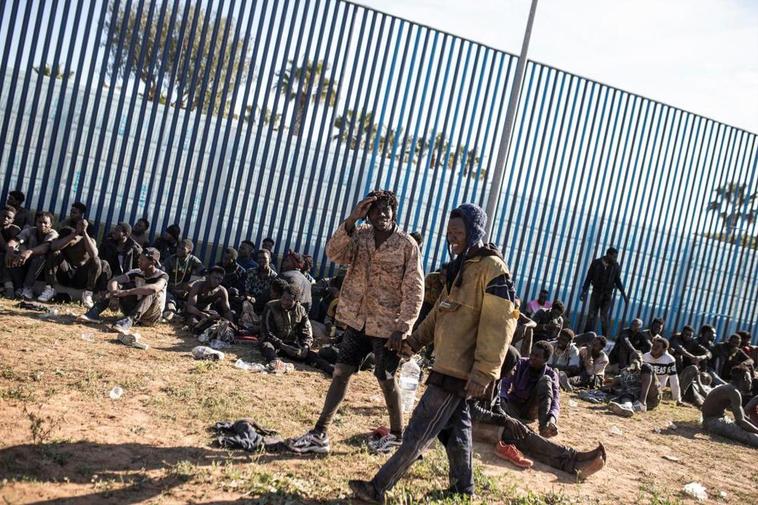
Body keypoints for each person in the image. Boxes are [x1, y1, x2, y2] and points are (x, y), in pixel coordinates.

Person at [347, 202, 517, 503]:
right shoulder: (461, 267)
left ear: (475, 231)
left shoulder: (492, 269)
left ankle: (378, 488)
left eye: (459, 232)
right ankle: (463, 489)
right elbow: (440, 313)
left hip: (460, 370)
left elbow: (499, 325)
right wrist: (413, 343)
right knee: (456, 430)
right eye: (449, 232)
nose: (452, 238)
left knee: (418, 431)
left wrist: (483, 372)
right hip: (447, 364)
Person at [289, 190, 424, 458]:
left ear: (394, 212)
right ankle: (320, 433)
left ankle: (397, 437)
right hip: (357, 321)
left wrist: (403, 327)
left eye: (387, 209)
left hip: (387, 327)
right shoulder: (360, 235)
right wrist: (352, 219)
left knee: (385, 378)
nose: (382, 214)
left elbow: (414, 289)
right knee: (340, 372)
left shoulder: (407, 244)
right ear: (368, 213)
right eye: (375, 210)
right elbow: (334, 253)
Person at [78, 248, 168, 335]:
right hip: (134, 309)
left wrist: (127, 292)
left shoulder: (162, 276)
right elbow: (114, 281)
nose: (139, 261)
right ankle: (93, 313)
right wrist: (114, 294)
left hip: (150, 316)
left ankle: (128, 321)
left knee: (151, 293)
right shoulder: (137, 272)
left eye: (142, 259)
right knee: (119, 287)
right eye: (139, 258)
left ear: (153, 262)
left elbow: (154, 288)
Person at [260, 282, 334, 374]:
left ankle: (331, 370)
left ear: (296, 301)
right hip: (274, 343)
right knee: (267, 347)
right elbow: (267, 332)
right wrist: (283, 345)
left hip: (291, 345)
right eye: (283, 298)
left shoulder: (301, 310)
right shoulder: (270, 306)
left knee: (311, 355)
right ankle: (276, 363)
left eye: (289, 300)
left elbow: (307, 332)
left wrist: (306, 346)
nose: (284, 302)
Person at [43, 217, 109, 307]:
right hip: (65, 274)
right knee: (54, 253)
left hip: (82, 278)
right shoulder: (68, 238)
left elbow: (94, 254)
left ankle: (88, 294)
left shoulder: (88, 240)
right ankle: (49, 289)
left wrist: (84, 232)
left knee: (98, 261)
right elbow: (54, 247)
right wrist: (74, 234)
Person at [500, 341, 561, 438]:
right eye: (532, 354)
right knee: (499, 403)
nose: (532, 357)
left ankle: (544, 427)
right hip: (514, 406)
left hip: (531, 410)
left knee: (546, 380)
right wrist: (502, 399)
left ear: (545, 359)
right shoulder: (521, 363)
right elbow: (504, 383)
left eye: (537, 356)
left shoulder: (551, 374)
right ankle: (514, 421)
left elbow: (555, 400)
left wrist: (552, 419)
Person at [701, 365, 758, 448]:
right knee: (750, 437)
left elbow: (742, 416)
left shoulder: (730, 389)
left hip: (713, 420)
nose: (751, 383)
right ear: (745, 378)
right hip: (712, 422)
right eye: (750, 380)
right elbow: (741, 421)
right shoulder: (733, 392)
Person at [5, 212, 58, 300]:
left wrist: (29, 251)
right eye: (39, 222)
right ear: (36, 223)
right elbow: (16, 240)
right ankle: (18, 287)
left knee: (39, 257)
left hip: (43, 269)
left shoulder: (53, 234)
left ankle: (27, 288)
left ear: (51, 225)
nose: (42, 225)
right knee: (11, 255)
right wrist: (10, 250)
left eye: (45, 223)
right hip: (28, 262)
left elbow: (45, 247)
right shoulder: (31, 230)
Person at [580, 247, 629, 337]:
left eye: (616, 257)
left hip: (607, 295)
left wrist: (624, 295)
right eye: (614, 256)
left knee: (604, 317)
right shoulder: (596, 263)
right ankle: (585, 336)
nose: (615, 259)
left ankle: (604, 337)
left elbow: (618, 281)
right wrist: (584, 291)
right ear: (608, 254)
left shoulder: (615, 266)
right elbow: (589, 277)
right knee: (591, 315)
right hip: (596, 293)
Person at [162, 239, 204, 314]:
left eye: (182, 249)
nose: (179, 250)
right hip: (171, 289)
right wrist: (174, 289)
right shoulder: (171, 260)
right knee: (170, 302)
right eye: (178, 247)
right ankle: (171, 310)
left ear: (189, 252)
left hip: (184, 291)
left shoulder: (192, 260)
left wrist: (192, 284)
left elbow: (205, 275)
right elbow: (163, 278)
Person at [642, 337, 682, 405]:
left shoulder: (669, 359)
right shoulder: (645, 356)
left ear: (664, 349)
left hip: (657, 389)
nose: (654, 348)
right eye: (654, 345)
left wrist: (677, 399)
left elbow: (674, 380)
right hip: (644, 386)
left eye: (658, 346)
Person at [245, 248, 278, 313]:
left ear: (270, 260)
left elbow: (272, 296)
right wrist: (250, 299)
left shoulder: (274, 277)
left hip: (265, 305)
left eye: (264, 258)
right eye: (259, 258)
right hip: (250, 300)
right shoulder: (250, 272)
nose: (261, 260)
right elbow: (247, 290)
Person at [0, 206, 21, 297]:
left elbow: (6, 247)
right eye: (4, 216)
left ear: (13, 220)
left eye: (9, 217)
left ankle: (9, 288)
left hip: (10, 258)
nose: (5, 218)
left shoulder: (15, 229)